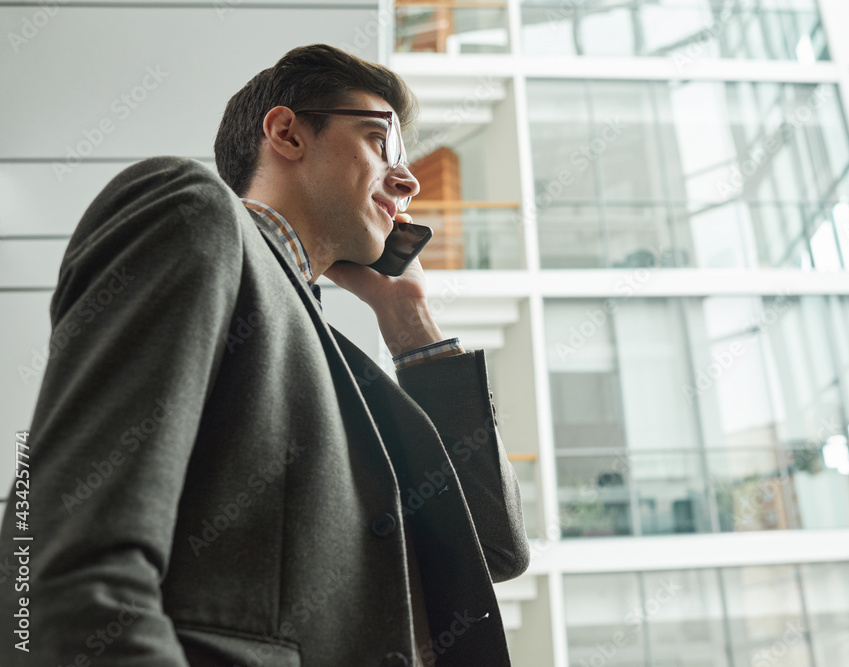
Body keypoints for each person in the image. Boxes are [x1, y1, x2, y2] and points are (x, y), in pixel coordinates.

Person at [0, 44, 530, 667]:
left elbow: (491, 551)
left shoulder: (342, 366)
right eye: (379, 141)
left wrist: (410, 320)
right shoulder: (191, 215)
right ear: (287, 133)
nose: (409, 181)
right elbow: (68, 565)